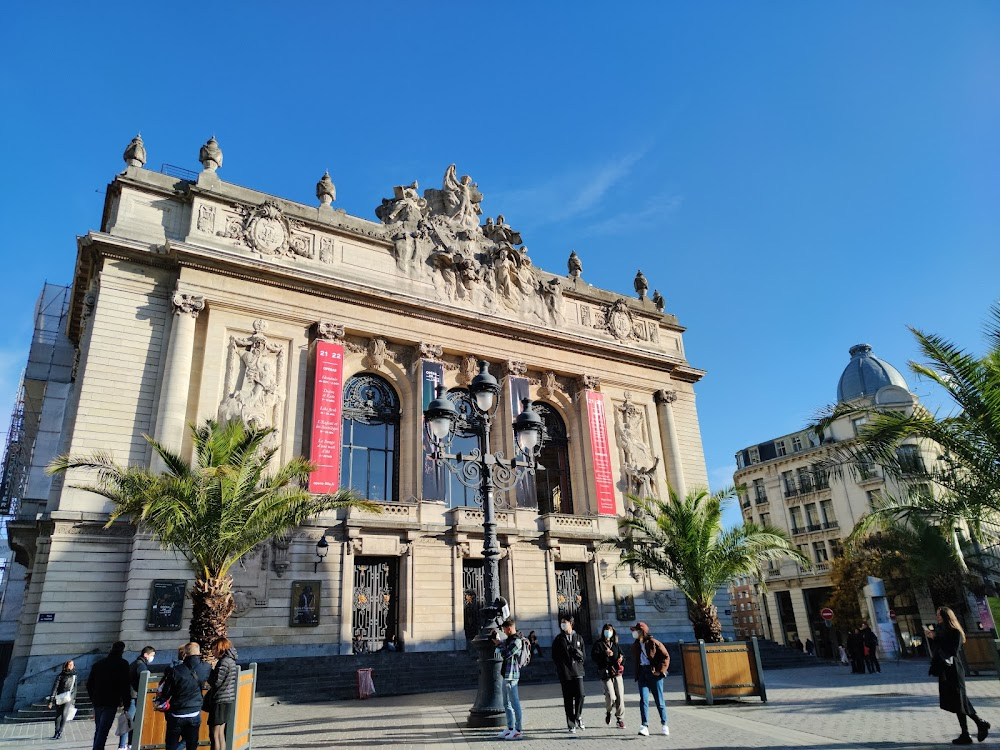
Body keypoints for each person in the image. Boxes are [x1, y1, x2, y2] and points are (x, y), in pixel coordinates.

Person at [927, 606, 991, 745]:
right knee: (957, 701)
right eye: (937, 615)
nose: (937, 617)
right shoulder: (940, 630)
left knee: (959, 701)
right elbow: (937, 650)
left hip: (954, 669)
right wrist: (933, 638)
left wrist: (937, 637)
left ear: (946, 617)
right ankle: (976, 726)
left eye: (939, 615)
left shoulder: (955, 632)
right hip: (944, 669)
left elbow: (952, 651)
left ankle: (969, 731)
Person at [159, 642, 211, 750]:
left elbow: (166, 692)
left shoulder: (175, 670)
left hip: (177, 712)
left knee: (171, 744)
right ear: (199, 652)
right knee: (192, 744)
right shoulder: (206, 667)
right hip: (195, 711)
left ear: (185, 654)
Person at [87, 641, 131, 750]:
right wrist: (126, 703)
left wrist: (93, 698)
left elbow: (89, 684)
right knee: (103, 730)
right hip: (111, 701)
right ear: (122, 651)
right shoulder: (123, 664)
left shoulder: (99, 664)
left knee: (99, 729)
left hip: (98, 701)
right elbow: (125, 686)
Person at [630, 622, 670, 737]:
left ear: (641, 631)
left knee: (659, 700)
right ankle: (644, 725)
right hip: (642, 673)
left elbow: (665, 656)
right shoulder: (637, 644)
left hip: (654, 673)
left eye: (636, 631)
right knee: (644, 700)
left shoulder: (653, 642)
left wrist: (660, 671)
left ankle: (664, 724)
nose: (634, 633)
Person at [551, 614, 586, 733]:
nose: (563, 624)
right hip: (565, 672)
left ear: (571, 623)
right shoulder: (558, 639)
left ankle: (578, 716)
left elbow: (584, 655)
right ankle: (571, 723)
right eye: (561, 622)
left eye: (564, 622)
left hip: (578, 671)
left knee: (580, 695)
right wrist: (561, 667)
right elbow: (554, 656)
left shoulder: (579, 637)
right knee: (568, 698)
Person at [492, 617, 524, 741]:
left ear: (509, 628)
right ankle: (510, 728)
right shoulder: (508, 640)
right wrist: (498, 642)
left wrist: (499, 645)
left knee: (515, 702)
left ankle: (518, 730)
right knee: (506, 703)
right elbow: (499, 650)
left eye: (505, 629)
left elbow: (506, 653)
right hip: (506, 674)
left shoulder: (517, 641)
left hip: (512, 675)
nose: (504, 632)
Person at [206, 637, 239, 750]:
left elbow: (216, 682)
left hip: (220, 699)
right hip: (228, 698)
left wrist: (210, 673)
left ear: (220, 648)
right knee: (221, 733)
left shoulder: (223, 662)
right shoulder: (231, 661)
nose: (212, 652)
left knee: (215, 733)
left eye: (214, 649)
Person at [591, 623, 625, 729]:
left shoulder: (615, 644)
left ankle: (620, 719)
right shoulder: (598, 644)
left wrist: (621, 659)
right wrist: (604, 653)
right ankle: (609, 711)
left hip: (616, 673)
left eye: (610, 630)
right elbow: (594, 656)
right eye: (606, 630)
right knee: (610, 696)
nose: (608, 632)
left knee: (620, 696)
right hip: (605, 673)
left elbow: (621, 655)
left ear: (613, 632)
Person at [124, 646, 155, 750]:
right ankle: (124, 745)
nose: (152, 658)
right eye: (152, 655)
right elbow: (142, 680)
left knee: (130, 720)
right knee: (130, 721)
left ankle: (129, 743)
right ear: (145, 655)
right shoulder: (141, 665)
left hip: (132, 695)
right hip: (135, 695)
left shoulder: (135, 663)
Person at [47, 659, 77, 740]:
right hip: (60, 697)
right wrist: (51, 700)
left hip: (68, 697)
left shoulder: (74, 676)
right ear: (65, 666)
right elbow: (55, 688)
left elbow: (75, 688)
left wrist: (73, 699)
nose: (71, 666)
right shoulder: (60, 676)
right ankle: (56, 731)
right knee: (58, 715)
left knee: (64, 713)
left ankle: (60, 731)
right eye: (69, 665)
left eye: (72, 665)